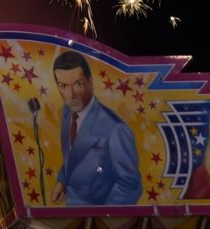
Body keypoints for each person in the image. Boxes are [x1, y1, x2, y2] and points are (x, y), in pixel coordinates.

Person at [51, 49, 142, 206]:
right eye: (63, 86)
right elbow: (74, 157)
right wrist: (62, 180)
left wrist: (102, 219)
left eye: (78, 84)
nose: (70, 94)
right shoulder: (68, 114)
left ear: (90, 82)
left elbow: (130, 185)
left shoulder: (115, 129)